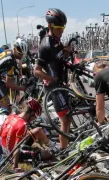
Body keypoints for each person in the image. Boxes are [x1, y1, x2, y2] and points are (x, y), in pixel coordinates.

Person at [34, 8, 73, 150]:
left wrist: (66, 52)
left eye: (63, 28)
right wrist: (51, 78)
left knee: (68, 118)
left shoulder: (56, 40)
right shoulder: (45, 45)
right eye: (59, 28)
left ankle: (65, 146)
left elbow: (58, 58)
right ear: (50, 26)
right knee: (65, 119)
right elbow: (36, 71)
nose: (61, 31)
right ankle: (63, 150)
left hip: (61, 84)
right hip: (54, 88)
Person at [0, 99, 57, 169]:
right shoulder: (23, 125)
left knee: (38, 130)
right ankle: (52, 151)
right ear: (31, 113)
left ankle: (53, 145)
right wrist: (15, 167)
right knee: (48, 153)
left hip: (4, 149)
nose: (34, 119)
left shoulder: (11, 116)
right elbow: (16, 149)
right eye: (35, 117)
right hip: (12, 155)